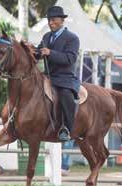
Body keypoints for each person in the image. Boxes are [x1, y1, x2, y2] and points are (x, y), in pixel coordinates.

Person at [35, 6, 80, 141]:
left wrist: (50, 53)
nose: (50, 23)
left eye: (53, 20)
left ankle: (67, 128)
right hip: (47, 77)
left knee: (65, 95)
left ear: (62, 20)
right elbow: (38, 54)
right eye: (49, 20)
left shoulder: (72, 38)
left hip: (64, 78)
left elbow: (70, 59)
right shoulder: (46, 36)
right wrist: (28, 49)